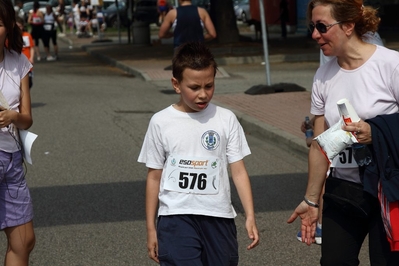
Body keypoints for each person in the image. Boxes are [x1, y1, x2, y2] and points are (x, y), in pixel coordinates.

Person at [287, 0, 399, 264]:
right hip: (344, 188)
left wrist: (376, 132)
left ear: (348, 26)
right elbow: (319, 145)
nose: (315, 35)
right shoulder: (323, 76)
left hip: (388, 189)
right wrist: (312, 201)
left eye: (322, 26)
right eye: (312, 27)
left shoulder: (391, 65)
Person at [138, 42, 259, 265]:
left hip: (219, 217)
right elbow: (154, 177)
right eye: (194, 88)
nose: (203, 95)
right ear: (176, 84)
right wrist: (151, 229)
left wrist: (250, 215)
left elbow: (239, 171)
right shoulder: (160, 122)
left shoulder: (226, 119)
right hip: (176, 217)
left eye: (209, 86)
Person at [0, 0, 36, 264]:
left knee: (24, 241)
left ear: (9, 26)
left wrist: (13, 116)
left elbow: (27, 119)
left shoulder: (19, 62)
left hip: (12, 158)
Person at [16, 17, 35, 89]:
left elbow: (31, 47)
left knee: (29, 83)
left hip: (27, 61)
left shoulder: (27, 35)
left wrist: (31, 58)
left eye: (20, 26)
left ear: (23, 26)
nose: (19, 28)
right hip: (17, 62)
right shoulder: (13, 37)